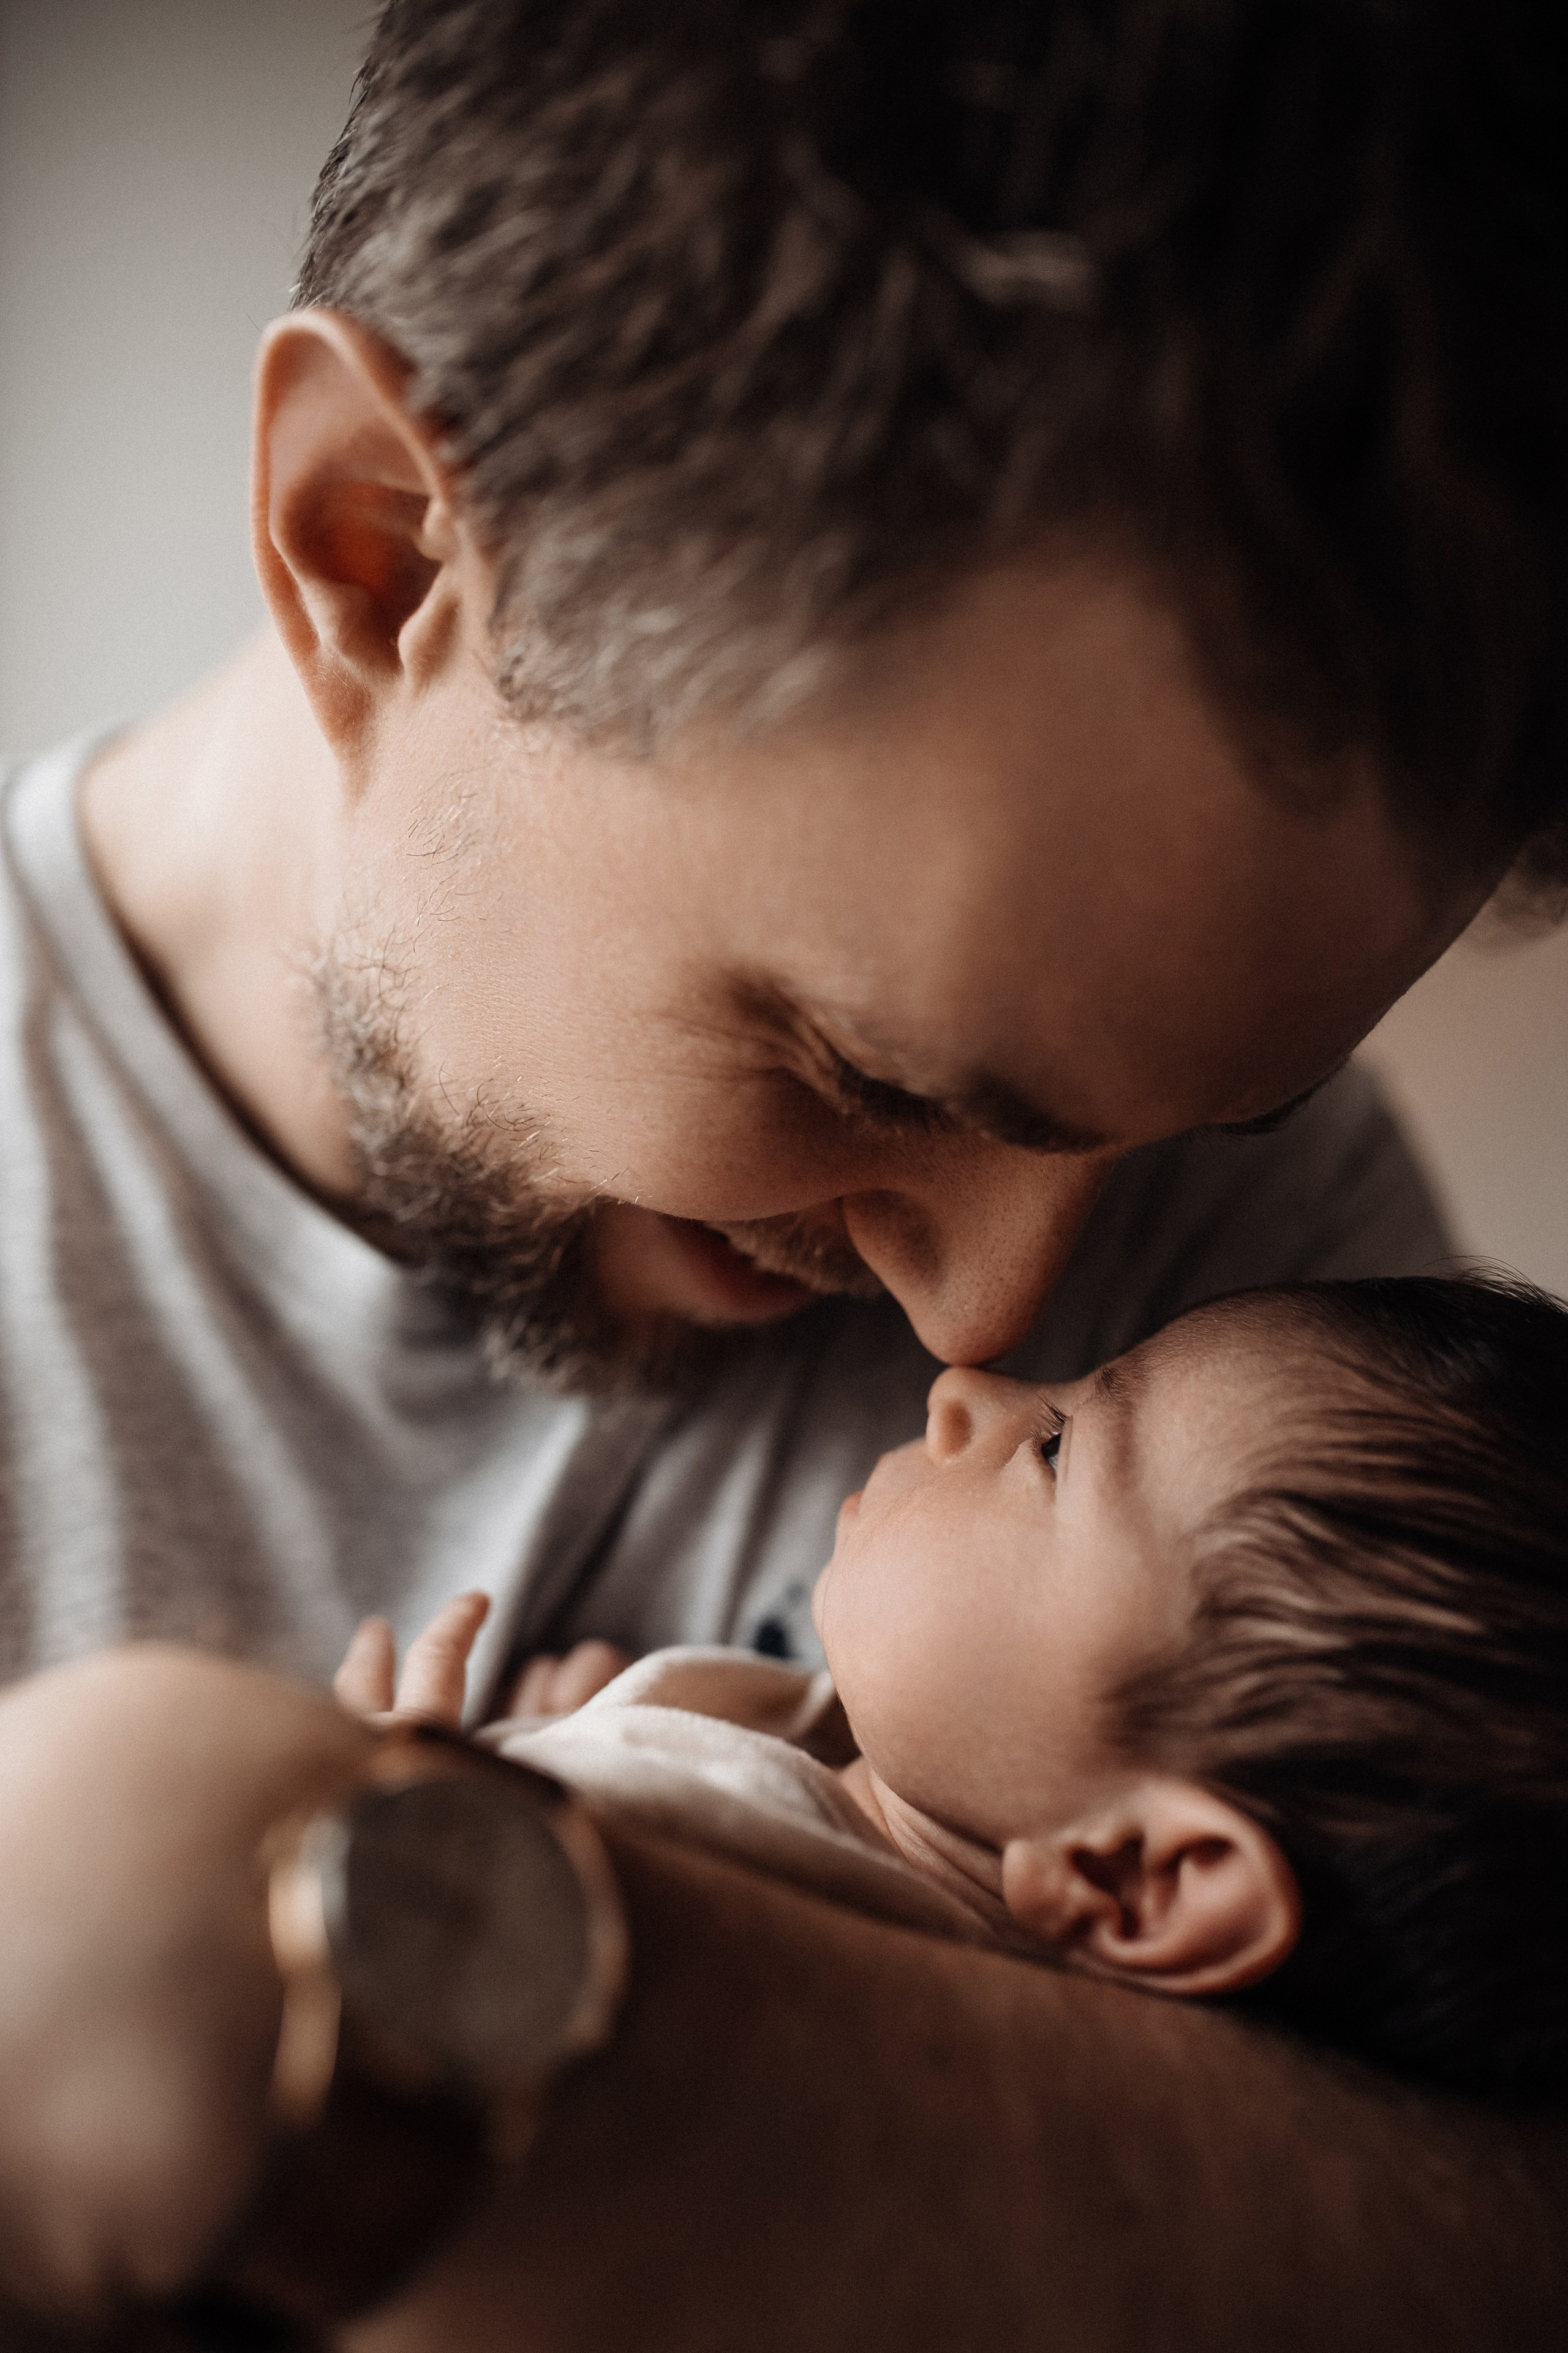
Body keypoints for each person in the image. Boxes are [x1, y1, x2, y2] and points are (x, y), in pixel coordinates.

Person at [1, 0, 1565, 2343]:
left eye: (1190, 1133)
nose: (1000, 1318)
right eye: (860, 1068)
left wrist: (280, 1969)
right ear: (381, 549)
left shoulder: (1291, 1361)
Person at [353, 1272, 1568, 2104]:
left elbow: (379, 2004)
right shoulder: (808, 1823)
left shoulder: (718, 1898)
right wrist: (603, 1734)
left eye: (1053, 1448)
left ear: (1139, 1877)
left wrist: (395, 1803)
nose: (962, 1390)